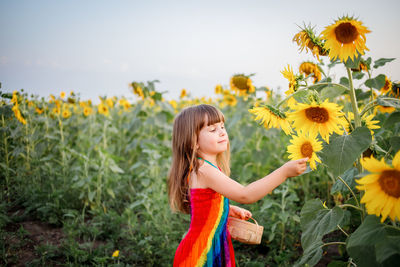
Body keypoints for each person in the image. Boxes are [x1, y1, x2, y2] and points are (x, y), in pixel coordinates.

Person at [167, 104, 308, 267]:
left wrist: (226, 210)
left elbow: (202, 205)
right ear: (193, 142)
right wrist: (284, 172)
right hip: (202, 254)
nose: (221, 132)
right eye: (212, 130)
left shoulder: (204, 167)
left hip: (210, 246)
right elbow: (245, 195)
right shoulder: (204, 170)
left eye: (222, 126)